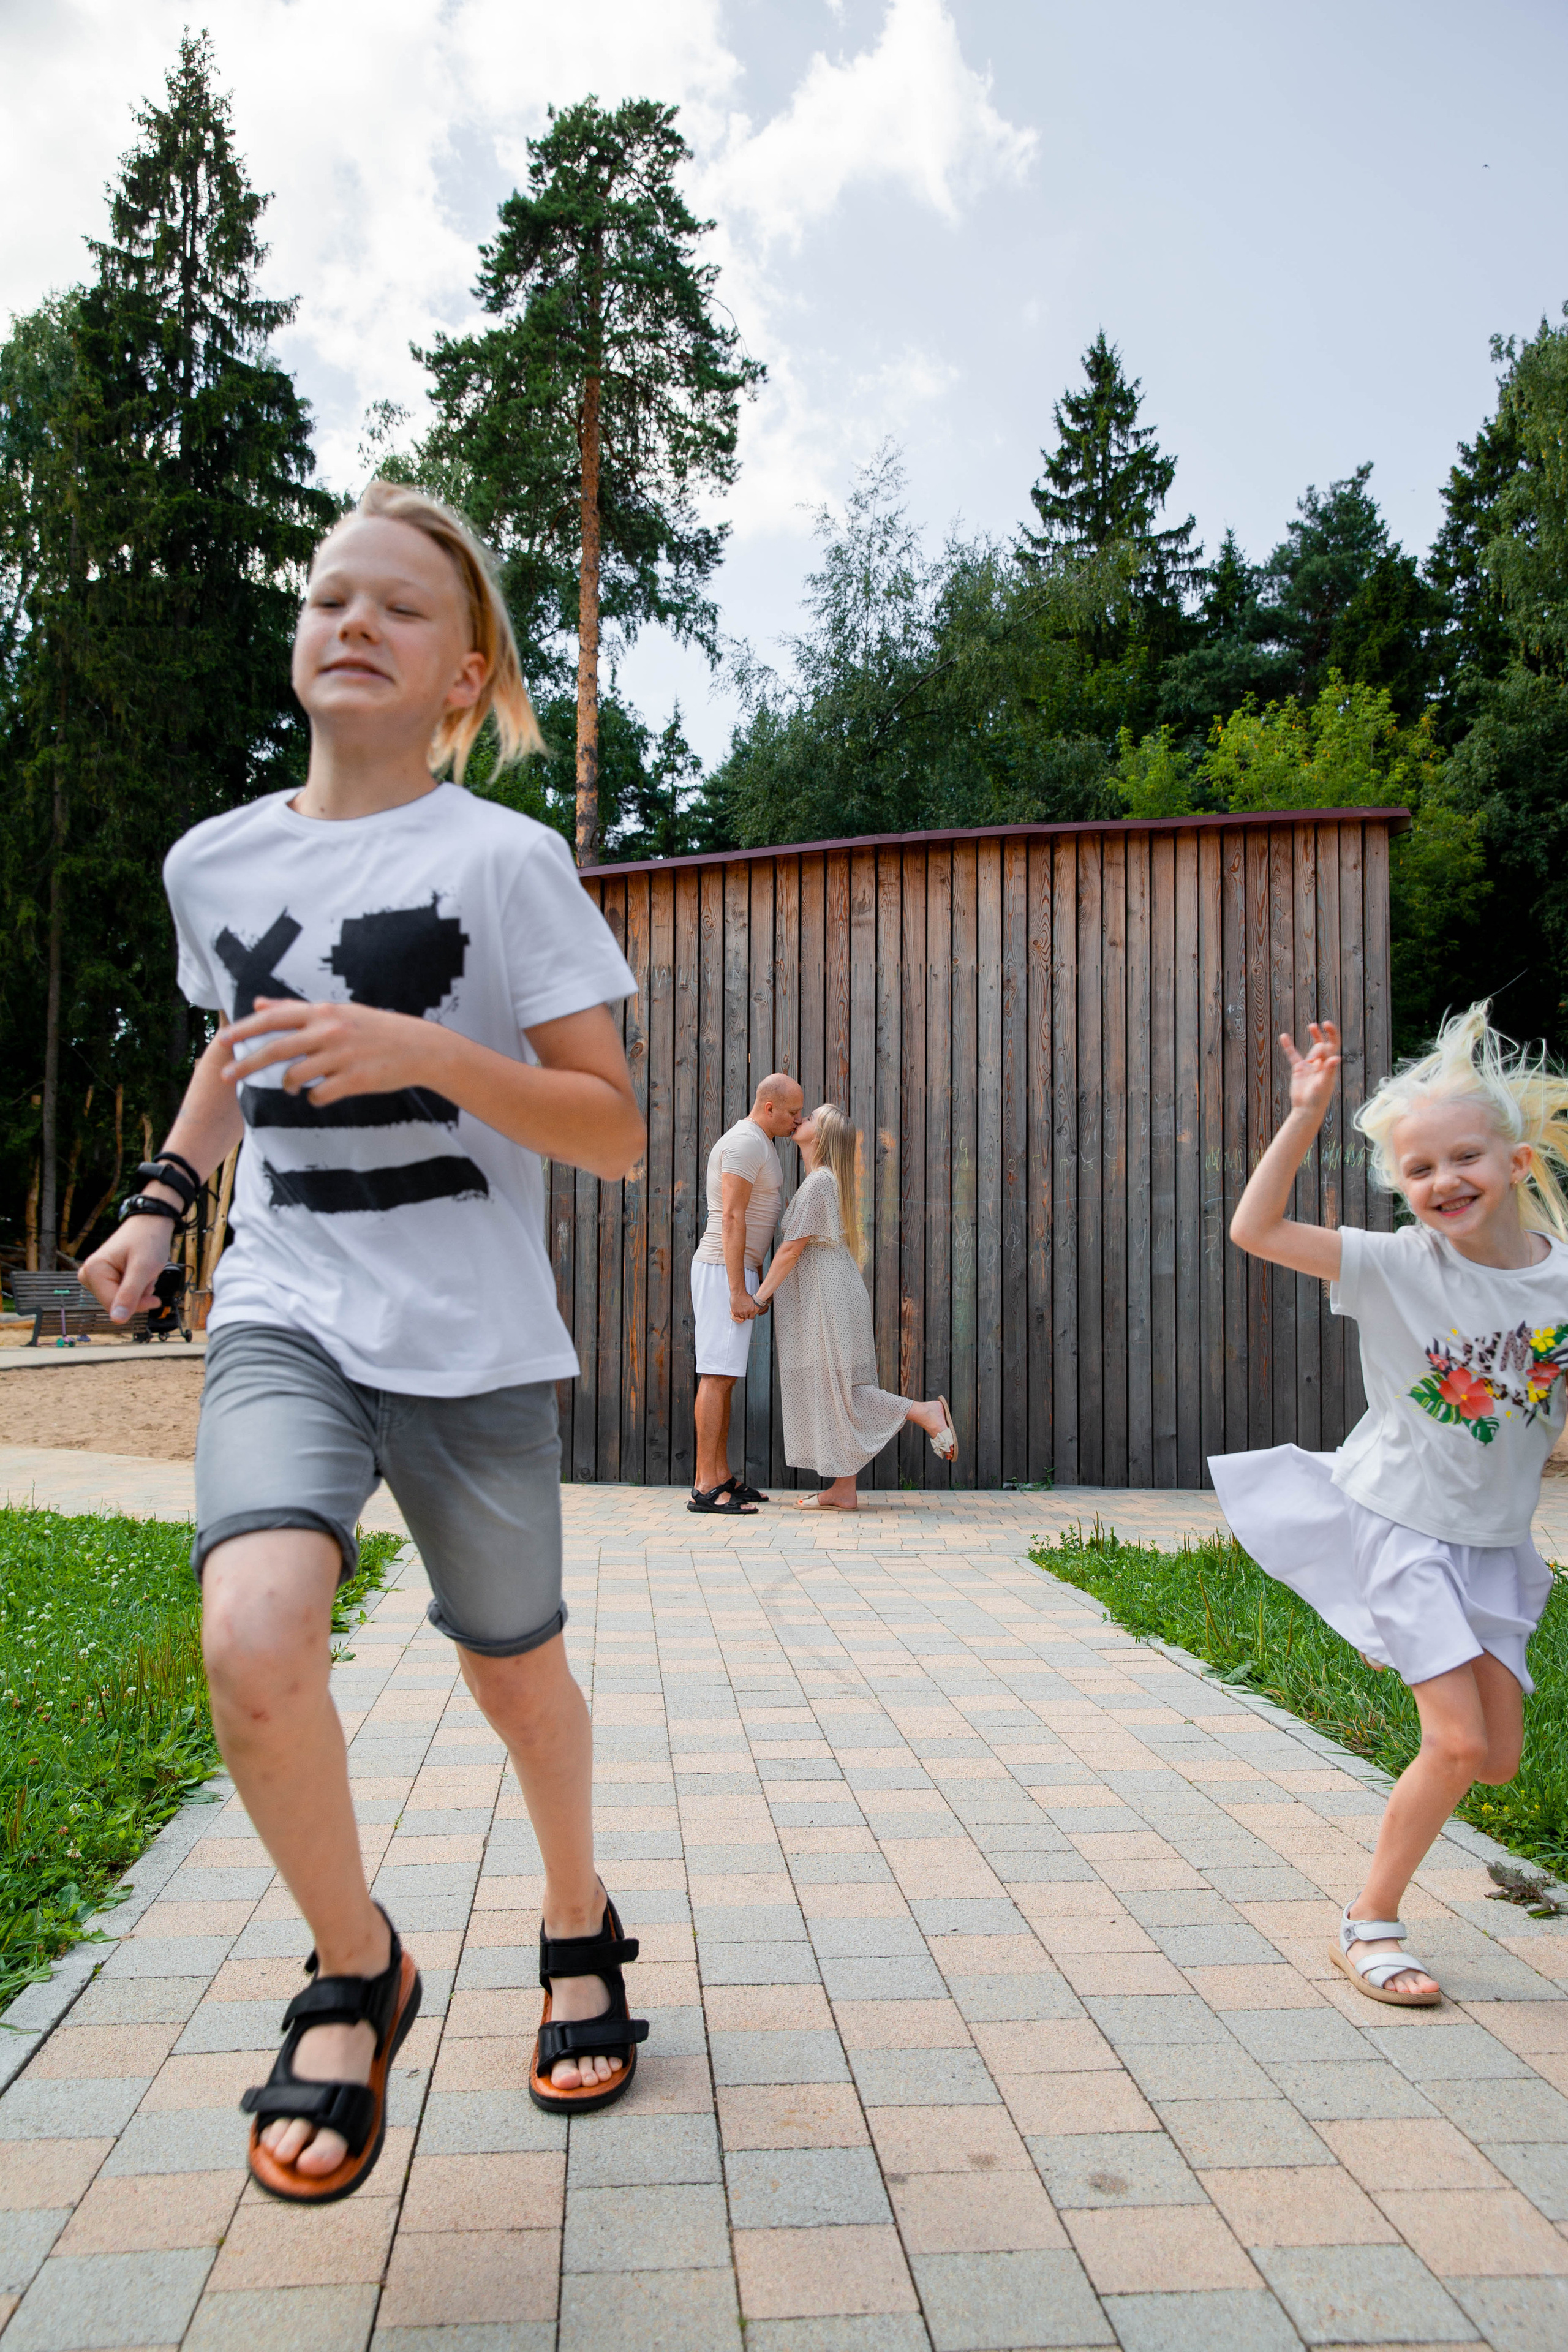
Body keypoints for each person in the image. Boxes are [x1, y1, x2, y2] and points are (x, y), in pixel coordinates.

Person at [83, 480, 650, 2203]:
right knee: (253, 1632)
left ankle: (576, 1914)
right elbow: (234, 1048)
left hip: (472, 1345)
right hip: (289, 1310)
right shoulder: (217, 859)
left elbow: (612, 1129)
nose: (353, 623)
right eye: (331, 596)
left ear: (463, 677)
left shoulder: (505, 859)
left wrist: (430, 1049)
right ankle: (356, 1967)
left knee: (512, 1673)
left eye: (399, 609)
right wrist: (169, 1200)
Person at [1212, 1005, 1568, 2007]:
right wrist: (1304, 1115)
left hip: (1495, 1544)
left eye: (1465, 1158)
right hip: (1401, 1526)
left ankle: (1415, 1644)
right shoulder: (1396, 1265)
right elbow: (1257, 1230)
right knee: (1454, 1742)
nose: (1443, 1182)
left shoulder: (1564, 1286)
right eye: (1418, 1171)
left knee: (1493, 1762)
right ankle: (1370, 1925)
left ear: (1518, 1158)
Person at [755, 1102, 956, 1507]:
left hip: (826, 1297)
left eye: (810, 1117)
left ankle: (924, 1412)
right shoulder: (822, 1181)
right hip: (826, 1293)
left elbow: (791, 1249)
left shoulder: (818, 1183)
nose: (801, 1119)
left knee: (839, 1389)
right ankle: (844, 1489)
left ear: (823, 1135)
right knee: (835, 1388)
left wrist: (759, 1297)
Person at [688, 1072, 804, 1515]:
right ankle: (705, 1487)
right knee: (716, 1374)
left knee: (725, 1375)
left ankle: (720, 1477)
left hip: (736, 1272)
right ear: (769, 1107)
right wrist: (738, 1289)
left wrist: (752, 1277)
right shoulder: (743, 1143)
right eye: (793, 1112)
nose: (797, 1120)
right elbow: (732, 1218)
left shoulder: (760, 1143)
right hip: (723, 1271)